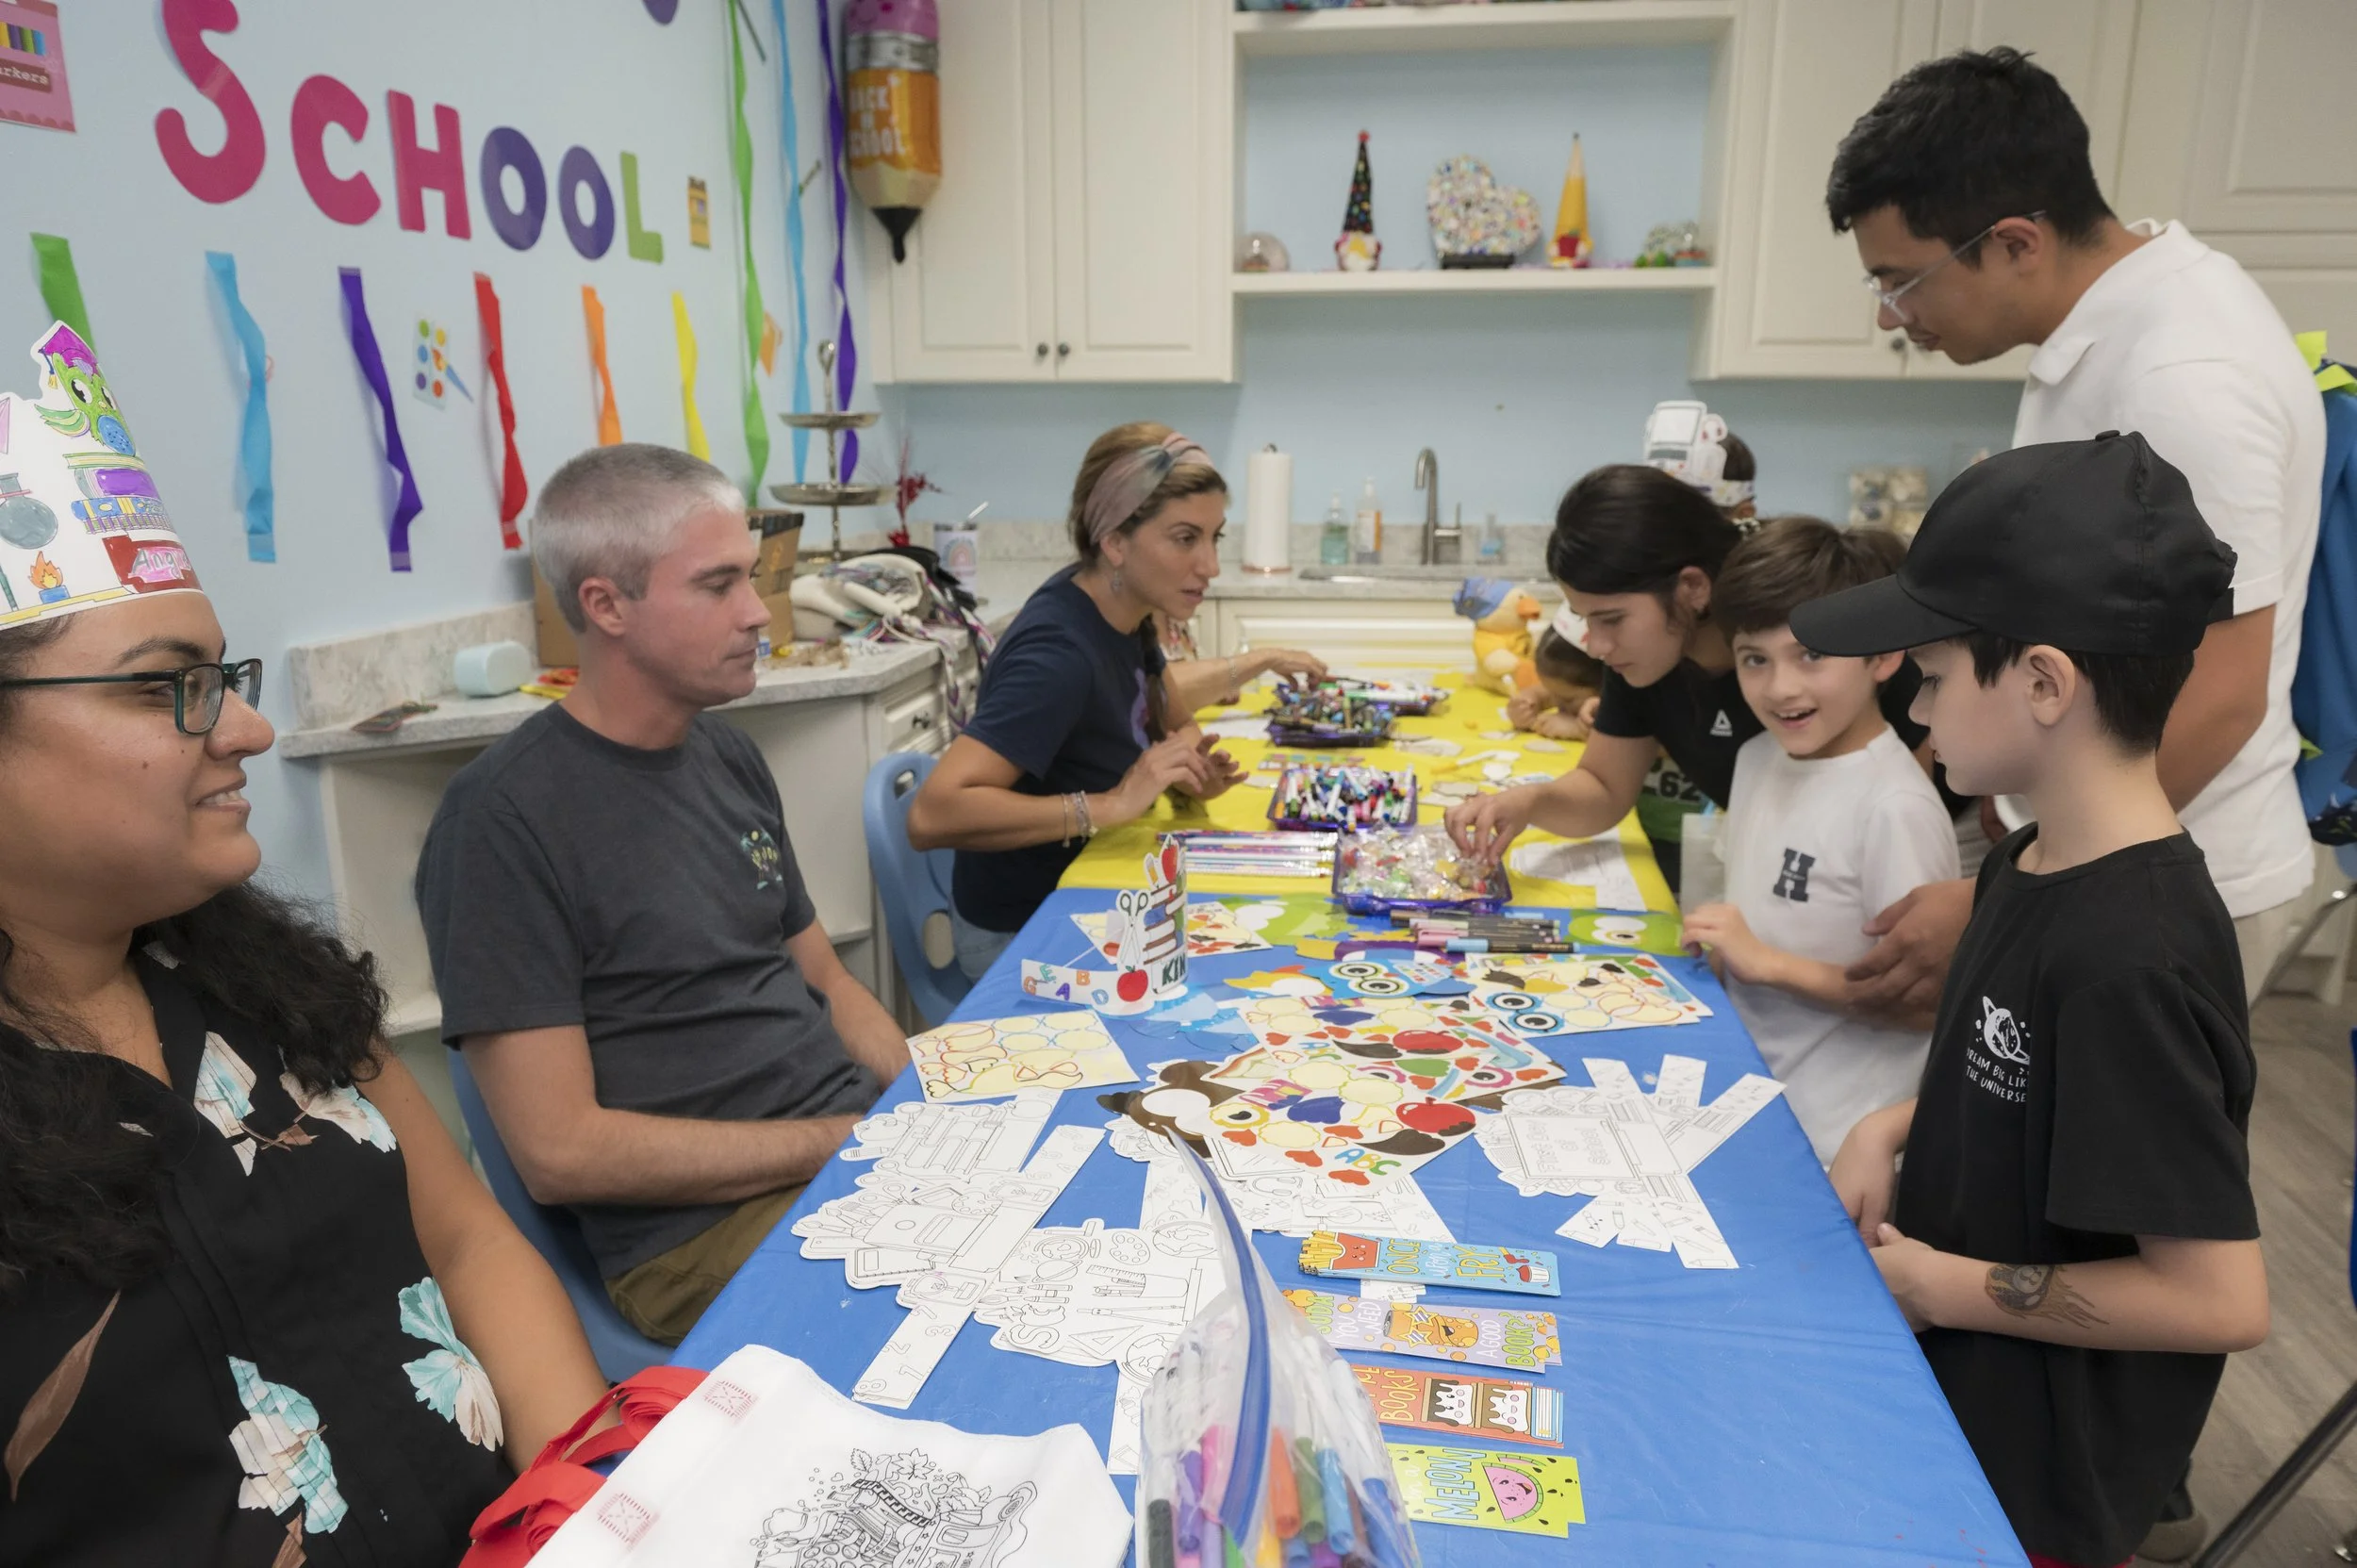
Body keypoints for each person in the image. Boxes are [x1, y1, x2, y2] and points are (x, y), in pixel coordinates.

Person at [0, 322, 608, 1565]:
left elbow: (465, 1239)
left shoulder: (263, 983)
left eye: (225, 676)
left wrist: (591, 1513)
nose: (249, 730)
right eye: (165, 686)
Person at [1805, 434, 2268, 1568]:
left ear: (2044, 682)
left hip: (2039, 1484)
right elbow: (2028, 1087)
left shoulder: (2129, 957)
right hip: (1962, 1406)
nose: (1917, 711)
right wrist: (1890, 1124)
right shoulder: (2029, 861)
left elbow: (2217, 1299)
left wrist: (1941, 1286)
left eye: (1931, 676)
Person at [1827, 47, 2325, 1030]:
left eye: (1902, 280)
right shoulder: (2111, 324)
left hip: (2155, 882)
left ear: (2016, 241)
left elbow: (2222, 694)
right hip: (2080, 848)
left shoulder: (2183, 376)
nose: (1891, 315)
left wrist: (2009, 889)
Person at [415, 444, 908, 1347]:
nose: (757, 611)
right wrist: (844, 1139)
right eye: (719, 585)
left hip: (842, 1157)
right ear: (607, 605)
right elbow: (560, 1153)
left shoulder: (727, 755)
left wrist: (922, 1098)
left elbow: (829, 982)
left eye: (751, 578)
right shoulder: (500, 822)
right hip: (699, 1238)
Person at [1442, 463, 1959, 905]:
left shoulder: (1809, 627)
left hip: (1920, 863)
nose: (1595, 645)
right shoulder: (1647, 662)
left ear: (1691, 587)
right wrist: (1527, 803)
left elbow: (1899, 830)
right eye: (1585, 619)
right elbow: (1604, 786)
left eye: (1612, 619)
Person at [907, 423, 1258, 973]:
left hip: (1087, 894)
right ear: (1115, 541)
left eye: (1216, 538)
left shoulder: (1125, 609)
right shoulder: (1059, 655)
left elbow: (1171, 720)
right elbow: (932, 815)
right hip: (1021, 932)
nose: (1210, 566)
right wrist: (1111, 805)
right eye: (1185, 539)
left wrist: (1190, 771)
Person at [1677, 518, 1959, 1162]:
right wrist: (1724, 955)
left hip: (1840, 1140)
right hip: (1750, 1099)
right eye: (1755, 659)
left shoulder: (1895, 807)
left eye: (1812, 654)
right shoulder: (1755, 758)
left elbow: (1925, 1006)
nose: (1781, 688)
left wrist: (1764, 962)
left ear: (1883, 656)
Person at [1504, 612, 1604, 741]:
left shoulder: (1625, 706)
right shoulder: (1571, 689)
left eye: (1568, 699)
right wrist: (1530, 701)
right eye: (1551, 692)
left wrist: (1575, 729)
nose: (1555, 702)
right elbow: (1548, 694)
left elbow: (1620, 737)